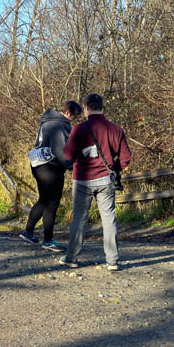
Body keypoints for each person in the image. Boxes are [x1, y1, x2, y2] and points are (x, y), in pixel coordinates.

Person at [60, 93, 132, 271]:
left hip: (82, 179)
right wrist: (114, 168)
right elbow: (126, 157)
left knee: (79, 220)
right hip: (106, 179)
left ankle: (71, 257)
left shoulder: (78, 129)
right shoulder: (116, 129)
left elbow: (67, 154)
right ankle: (112, 261)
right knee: (108, 219)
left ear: (86, 108)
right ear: (102, 107)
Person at [19, 100, 83, 251]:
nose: (74, 119)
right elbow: (60, 150)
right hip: (51, 167)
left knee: (44, 199)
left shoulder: (47, 120)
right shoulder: (59, 124)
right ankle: (48, 240)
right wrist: (70, 165)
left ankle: (28, 232)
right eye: (74, 116)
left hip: (38, 165)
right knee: (52, 203)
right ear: (67, 112)